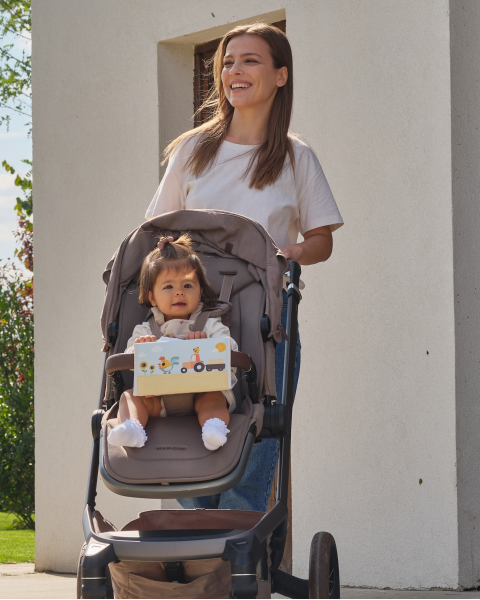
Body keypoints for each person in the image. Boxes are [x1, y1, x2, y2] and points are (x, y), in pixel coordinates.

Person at [146, 23, 343, 511]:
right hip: (189, 327)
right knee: (192, 451)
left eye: (250, 61)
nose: (235, 71)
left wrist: (291, 253)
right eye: (228, 62)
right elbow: (156, 232)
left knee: (254, 451)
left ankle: (239, 568)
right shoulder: (192, 150)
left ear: (280, 76)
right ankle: (198, 560)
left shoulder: (297, 158)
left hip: (264, 325)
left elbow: (321, 241)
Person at [107, 234, 238, 451]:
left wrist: (207, 346)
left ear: (200, 292)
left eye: (187, 285)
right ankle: (133, 427)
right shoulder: (147, 329)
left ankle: (214, 427)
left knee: (214, 399)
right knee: (129, 396)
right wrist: (140, 348)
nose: (179, 292)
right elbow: (129, 359)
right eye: (168, 287)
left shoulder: (209, 324)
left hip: (201, 393)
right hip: (158, 399)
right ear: (152, 297)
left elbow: (230, 351)